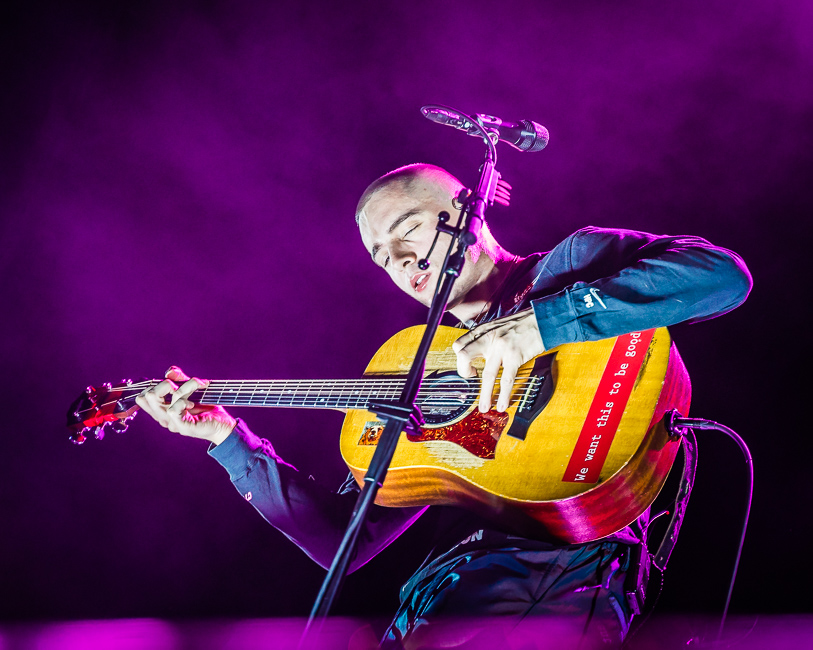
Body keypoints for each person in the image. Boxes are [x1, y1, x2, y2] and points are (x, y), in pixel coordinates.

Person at [136, 163, 751, 649]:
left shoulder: (574, 265)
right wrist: (226, 440)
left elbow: (721, 276)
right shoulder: (414, 366)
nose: (398, 260)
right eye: (380, 255)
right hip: (438, 601)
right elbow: (341, 546)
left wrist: (541, 326)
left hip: (559, 582)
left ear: (466, 210)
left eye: (406, 230)